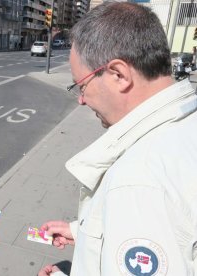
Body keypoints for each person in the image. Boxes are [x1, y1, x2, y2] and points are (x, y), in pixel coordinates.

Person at [39, 2, 197, 275]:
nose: (81, 100)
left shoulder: (140, 181)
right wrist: (84, 230)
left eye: (82, 85)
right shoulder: (185, 122)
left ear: (118, 75)